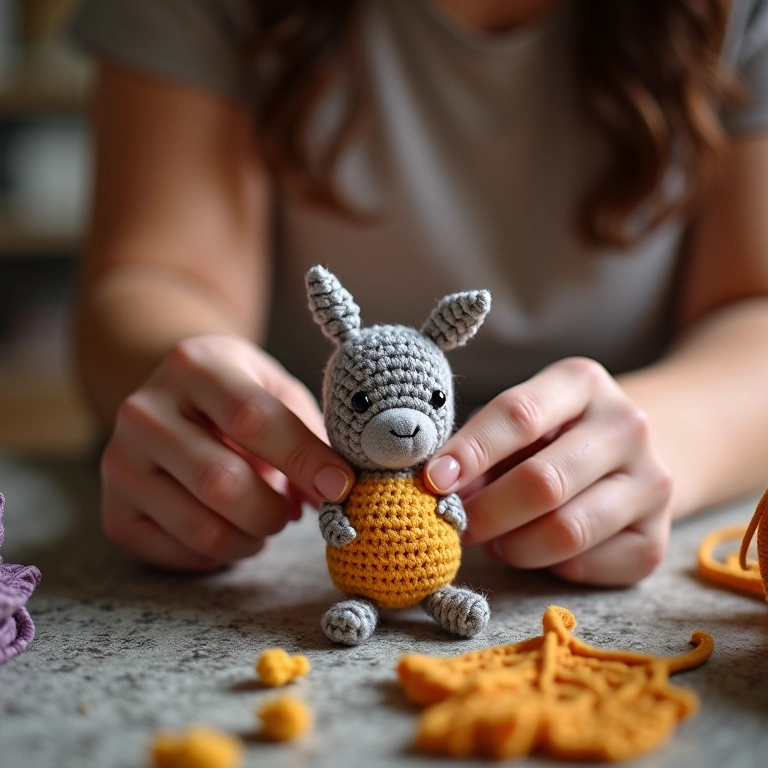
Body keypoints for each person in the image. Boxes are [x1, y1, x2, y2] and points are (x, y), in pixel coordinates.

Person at [71, 0, 768, 585]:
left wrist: (668, 436)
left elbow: (753, 304)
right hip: (276, 541)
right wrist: (203, 402)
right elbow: (156, 275)